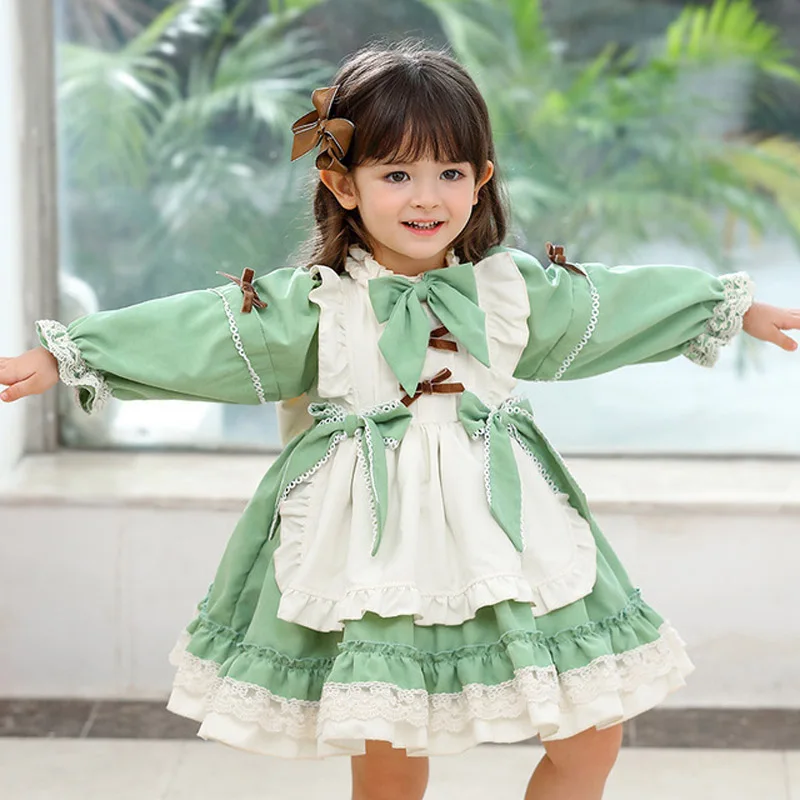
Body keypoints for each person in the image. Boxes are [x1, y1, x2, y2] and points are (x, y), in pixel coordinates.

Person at [2, 42, 799, 800]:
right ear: (343, 184)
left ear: (481, 181)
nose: (427, 197)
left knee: (593, 731)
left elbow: (613, 302)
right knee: (389, 758)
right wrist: (74, 357)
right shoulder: (315, 306)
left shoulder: (509, 293)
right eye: (397, 174)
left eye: (451, 172)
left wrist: (729, 309)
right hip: (374, 546)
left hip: (508, 537)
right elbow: (200, 333)